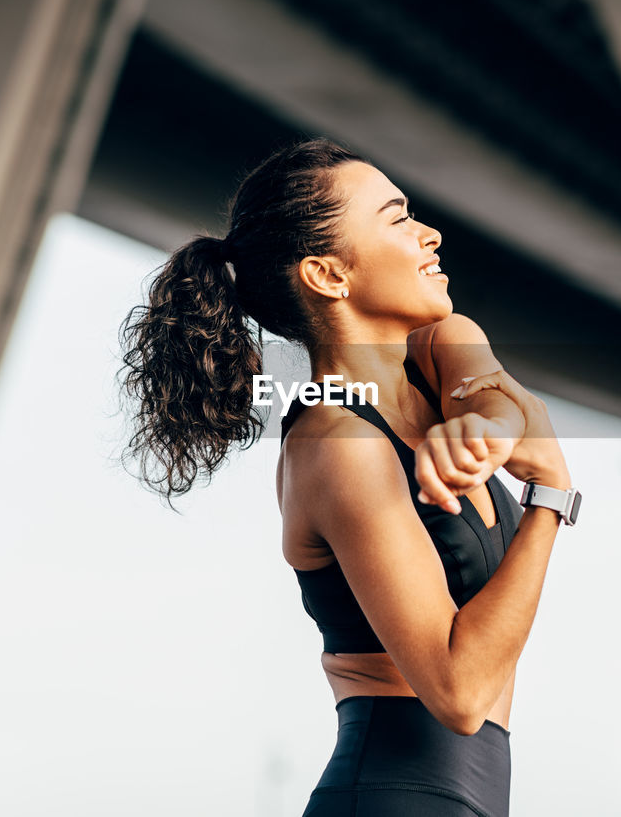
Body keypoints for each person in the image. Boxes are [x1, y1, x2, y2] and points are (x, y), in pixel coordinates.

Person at [118, 136, 577, 816]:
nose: (430, 234)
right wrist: (548, 499)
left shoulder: (437, 351)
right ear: (329, 276)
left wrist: (492, 428)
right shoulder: (338, 444)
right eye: (397, 219)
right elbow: (457, 690)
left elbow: (496, 393)